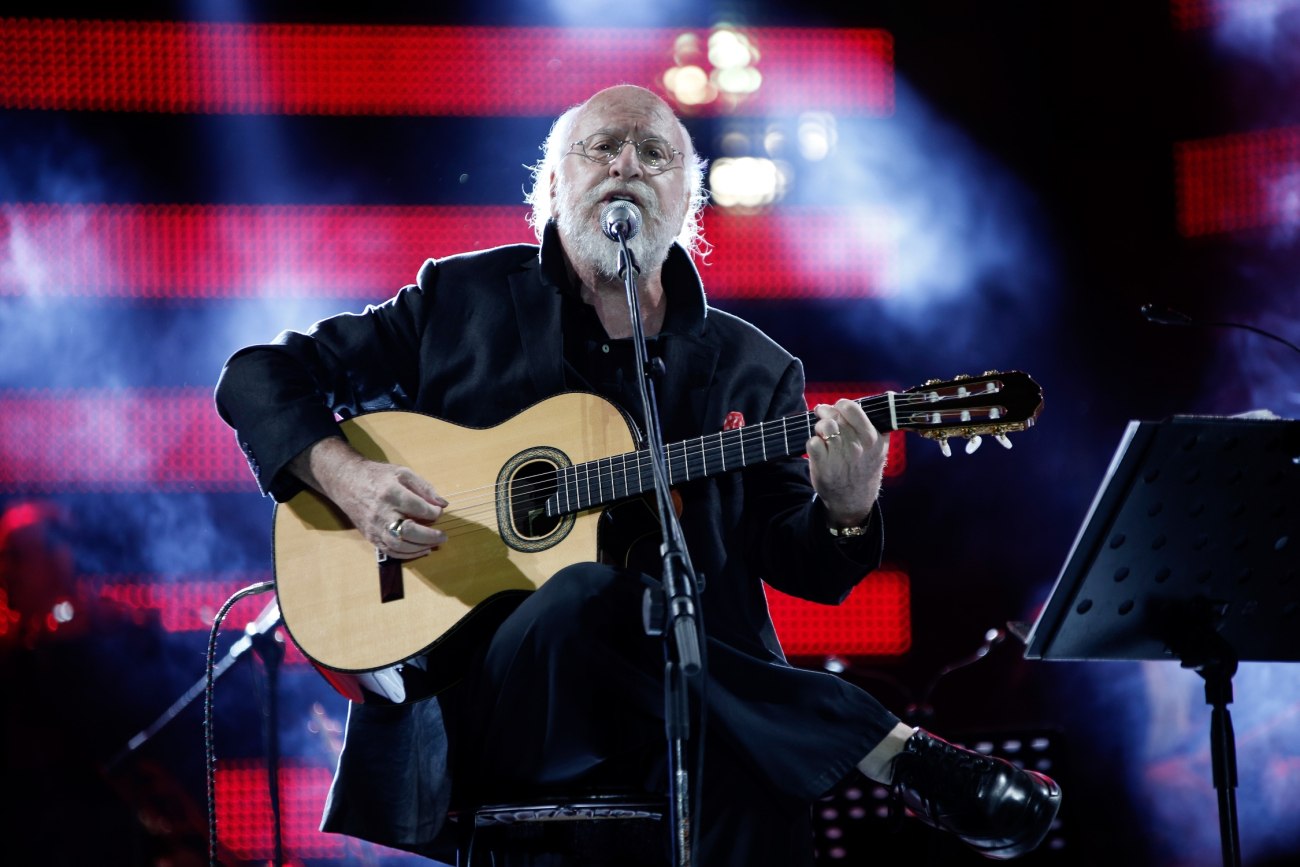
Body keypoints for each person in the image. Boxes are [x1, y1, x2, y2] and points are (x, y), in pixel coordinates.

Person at [215, 84, 1060, 865]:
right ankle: (891, 751)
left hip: (690, 703)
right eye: (603, 147)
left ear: (687, 202)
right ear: (553, 184)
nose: (627, 164)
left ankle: (832, 743)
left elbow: (802, 566)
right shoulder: (458, 302)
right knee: (592, 593)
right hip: (494, 695)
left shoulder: (753, 368)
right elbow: (254, 377)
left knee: (709, 703)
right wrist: (349, 480)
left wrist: (846, 508)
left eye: (654, 153)